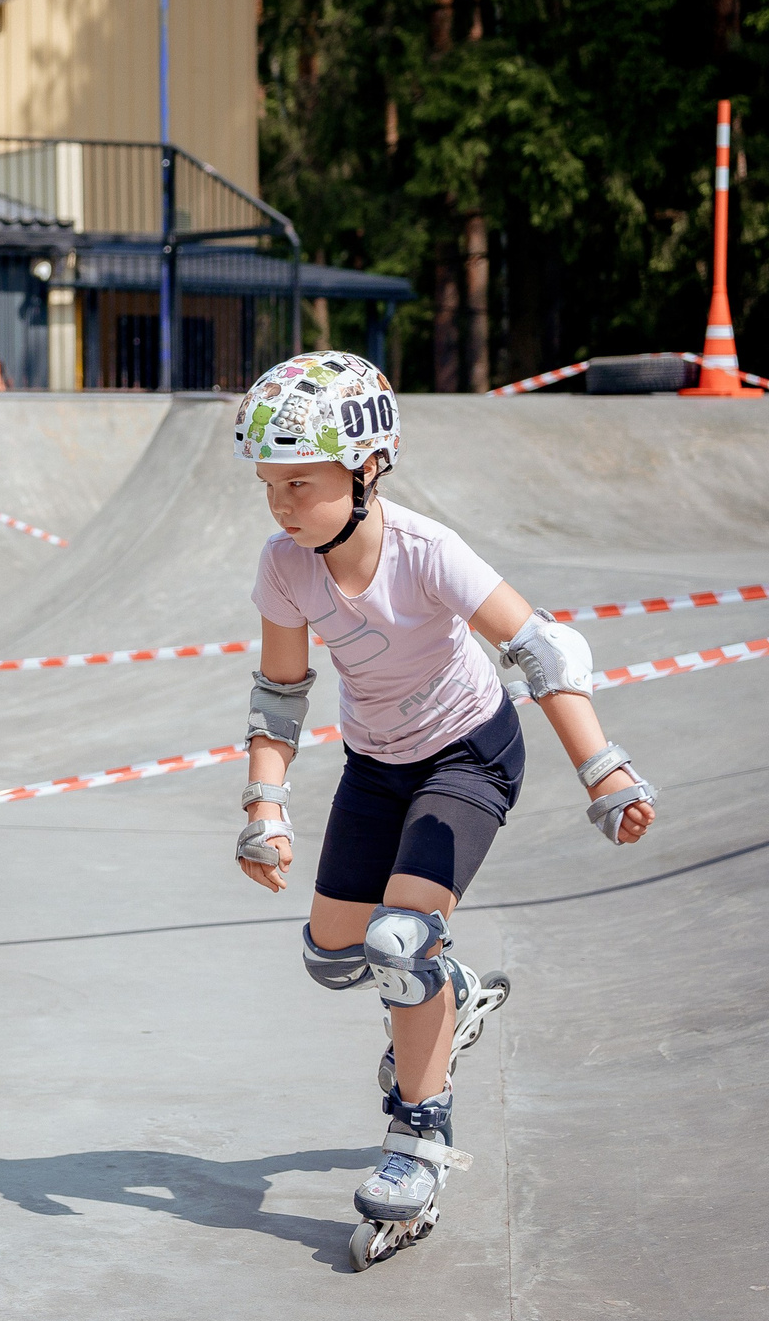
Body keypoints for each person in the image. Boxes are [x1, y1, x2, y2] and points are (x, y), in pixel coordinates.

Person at [231, 352, 658, 1269]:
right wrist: (265, 807)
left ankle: (416, 1141)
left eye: (300, 484)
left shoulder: (428, 553)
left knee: (401, 943)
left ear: (367, 465)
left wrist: (604, 772)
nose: (282, 505)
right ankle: (453, 997)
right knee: (330, 956)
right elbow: (279, 692)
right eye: (270, 486)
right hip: (377, 765)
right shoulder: (284, 566)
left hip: (470, 752)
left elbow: (540, 649)